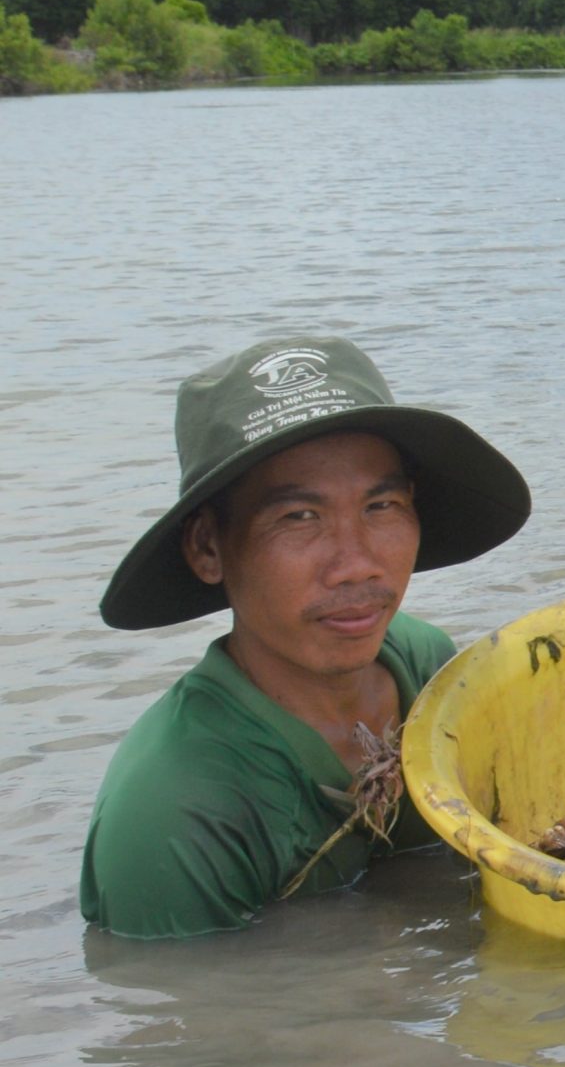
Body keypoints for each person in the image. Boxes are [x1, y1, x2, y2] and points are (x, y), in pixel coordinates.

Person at [81, 336, 532, 938]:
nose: (357, 565)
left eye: (382, 505)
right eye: (299, 517)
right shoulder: (176, 812)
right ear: (208, 547)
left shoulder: (428, 673)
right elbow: (193, 1015)